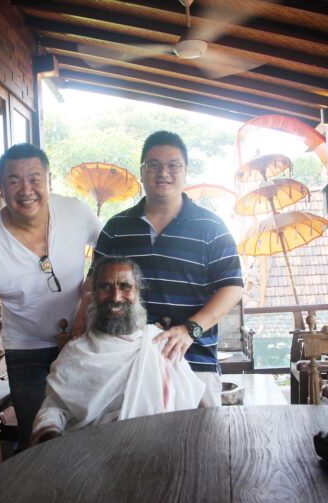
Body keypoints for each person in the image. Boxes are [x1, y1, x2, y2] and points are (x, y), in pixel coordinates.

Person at [84, 131, 243, 407]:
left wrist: (190, 329)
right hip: (126, 363)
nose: (163, 173)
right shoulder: (116, 229)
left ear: (185, 172)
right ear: (142, 172)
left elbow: (232, 287)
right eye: (154, 165)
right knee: (133, 447)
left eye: (173, 165)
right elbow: (93, 287)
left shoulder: (211, 228)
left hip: (194, 360)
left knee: (202, 446)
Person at [0, 143, 100, 451]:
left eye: (35, 178)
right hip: (27, 352)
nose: (26, 190)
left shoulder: (76, 212)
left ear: (49, 179)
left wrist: (89, 293)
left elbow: (111, 249)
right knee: (38, 440)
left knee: (90, 433)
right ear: (1, 187)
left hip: (82, 344)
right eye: (14, 180)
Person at [30, 257, 204, 444]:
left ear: (137, 292)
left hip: (156, 453)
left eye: (125, 286)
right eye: (106, 287)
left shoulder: (161, 345)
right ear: (94, 294)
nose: (116, 297)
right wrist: (50, 433)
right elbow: (55, 409)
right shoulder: (76, 353)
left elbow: (188, 409)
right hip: (90, 459)